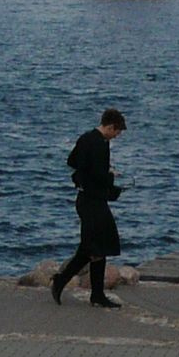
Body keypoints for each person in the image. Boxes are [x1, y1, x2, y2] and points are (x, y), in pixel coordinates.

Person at [51, 108, 127, 308]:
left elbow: (72, 161)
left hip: (87, 198)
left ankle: (95, 293)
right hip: (93, 201)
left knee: (96, 246)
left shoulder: (86, 138)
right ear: (110, 126)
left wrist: (89, 174)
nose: (117, 136)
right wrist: (110, 175)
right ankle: (63, 281)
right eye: (117, 131)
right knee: (92, 247)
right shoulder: (101, 144)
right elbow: (99, 175)